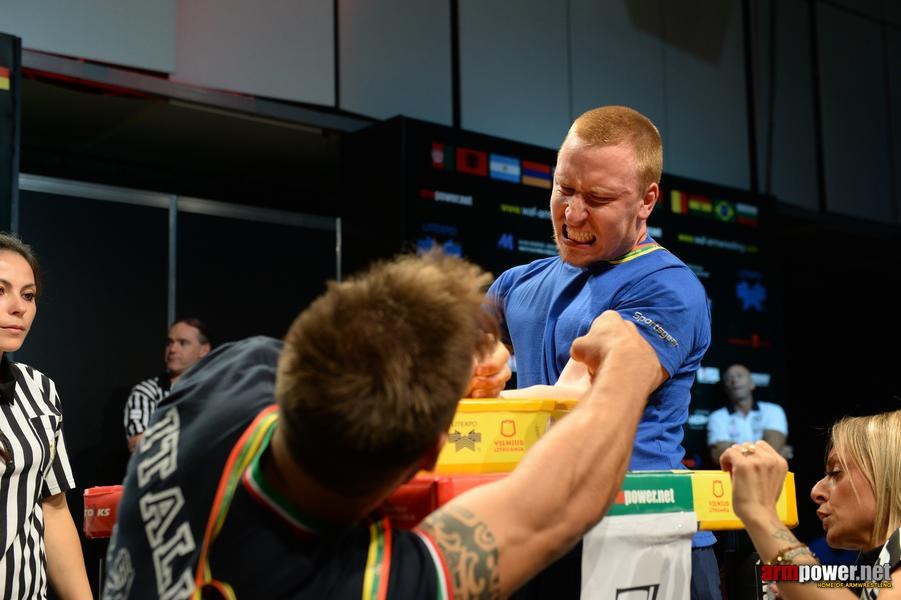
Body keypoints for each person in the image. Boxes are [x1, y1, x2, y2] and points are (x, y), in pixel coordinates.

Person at [102, 252, 662, 599]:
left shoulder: (230, 372)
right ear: (429, 454)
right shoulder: (341, 584)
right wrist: (630, 367)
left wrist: (438, 370)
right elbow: (561, 505)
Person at [474, 105, 718, 597]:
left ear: (647, 200)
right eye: (564, 188)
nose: (573, 213)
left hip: (642, 537)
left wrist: (466, 404)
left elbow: (582, 402)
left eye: (599, 198)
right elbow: (444, 364)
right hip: (543, 532)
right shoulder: (516, 283)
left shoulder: (667, 289)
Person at [0, 233, 92, 599]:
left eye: (28, 295)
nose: (18, 307)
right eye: (0, 289)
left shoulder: (39, 389)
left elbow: (53, 509)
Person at [723, 409, 901, 598]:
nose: (816, 491)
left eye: (836, 472)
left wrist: (761, 513)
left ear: (888, 476)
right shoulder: (875, 569)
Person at [123, 317, 211, 452]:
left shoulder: (216, 390)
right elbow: (139, 445)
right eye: (169, 343)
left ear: (204, 350)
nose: (173, 349)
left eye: (183, 343)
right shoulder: (147, 392)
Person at [708, 363, 789, 464]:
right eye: (729, 378)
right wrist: (768, 453)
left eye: (739, 376)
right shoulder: (717, 417)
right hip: (732, 479)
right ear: (726, 388)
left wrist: (734, 449)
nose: (734, 380)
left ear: (752, 384)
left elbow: (774, 447)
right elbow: (719, 455)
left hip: (769, 478)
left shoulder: (773, 411)